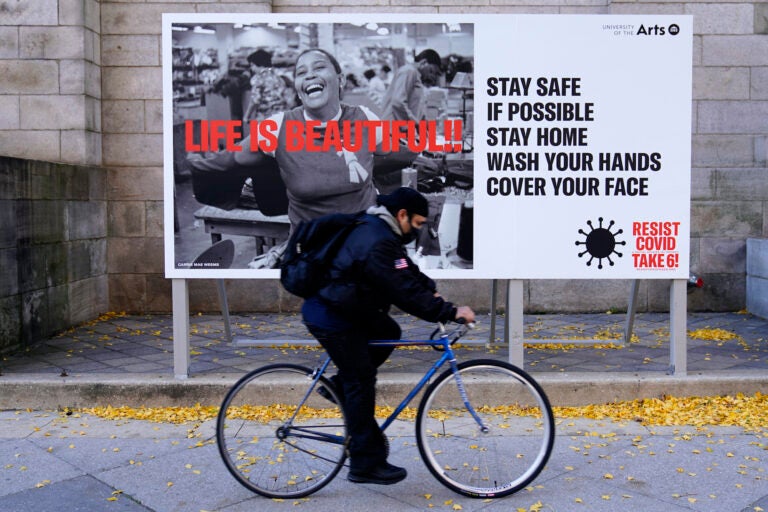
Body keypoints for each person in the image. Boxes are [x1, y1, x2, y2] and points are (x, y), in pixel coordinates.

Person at [302, 187, 476, 485]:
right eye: (418, 224)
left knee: (388, 330)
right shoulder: (377, 240)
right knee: (361, 381)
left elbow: (405, 270)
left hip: (346, 309)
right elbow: (402, 290)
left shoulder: (381, 231)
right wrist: (447, 311)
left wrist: (430, 288)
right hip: (331, 317)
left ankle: (338, 387)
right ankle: (364, 464)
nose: (419, 230)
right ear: (402, 215)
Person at [190, 48, 395, 268]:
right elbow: (233, 158)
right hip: (310, 255)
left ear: (340, 79)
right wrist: (197, 163)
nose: (309, 75)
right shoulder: (278, 127)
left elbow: (386, 153)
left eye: (319, 67)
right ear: (297, 89)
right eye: (300, 72)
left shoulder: (365, 118)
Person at [379, 49, 442, 126]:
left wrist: (425, 123)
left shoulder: (416, 76)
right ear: (424, 62)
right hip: (393, 128)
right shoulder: (409, 71)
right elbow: (398, 102)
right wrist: (415, 123)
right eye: (431, 71)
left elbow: (415, 105)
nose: (431, 75)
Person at [243, 49, 290, 122]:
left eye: (252, 65)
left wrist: (247, 116)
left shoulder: (258, 79)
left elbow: (255, 100)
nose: (251, 68)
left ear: (258, 64)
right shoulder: (278, 77)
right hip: (282, 116)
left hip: (266, 117)